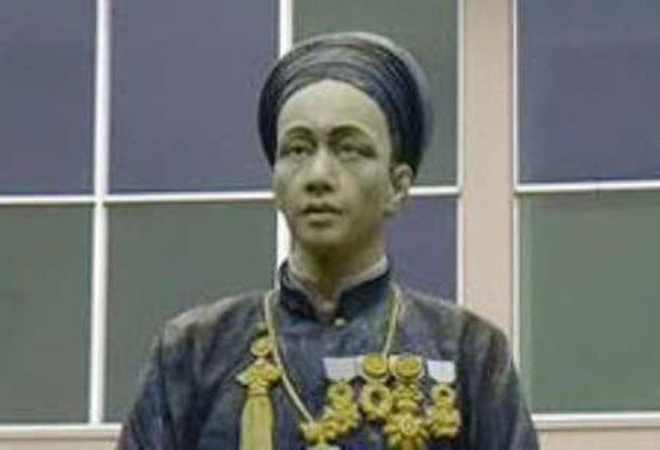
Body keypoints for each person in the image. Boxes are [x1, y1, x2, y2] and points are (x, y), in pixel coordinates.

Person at [117, 32, 538, 450]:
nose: (318, 176)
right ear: (275, 181)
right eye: (297, 150)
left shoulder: (468, 352)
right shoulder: (196, 352)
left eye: (349, 149)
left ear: (397, 185)